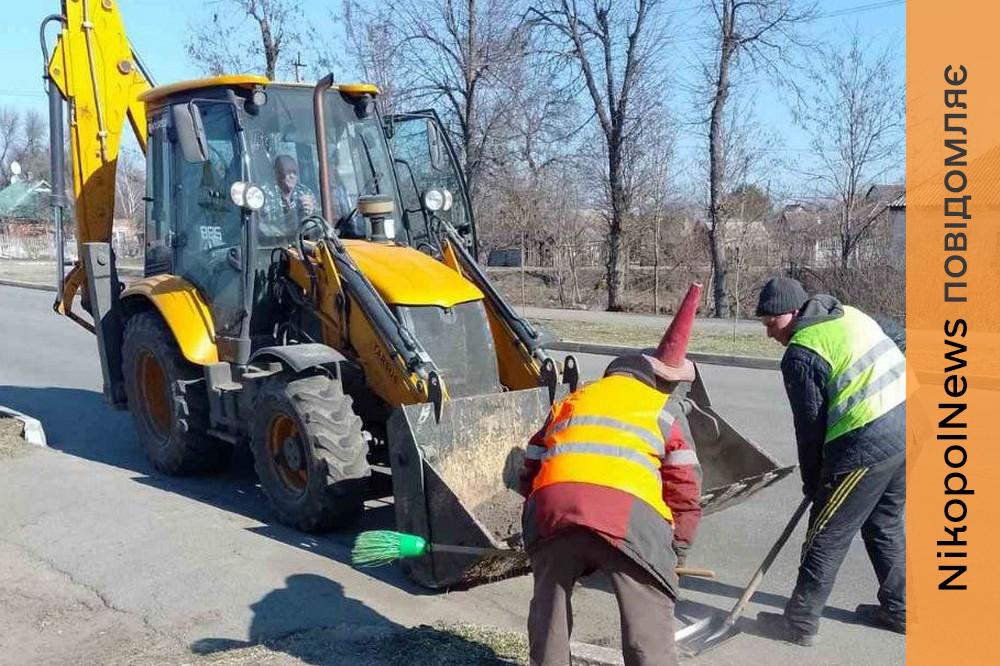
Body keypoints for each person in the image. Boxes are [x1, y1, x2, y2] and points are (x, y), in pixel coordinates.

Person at [519, 283, 704, 666]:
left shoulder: (570, 402)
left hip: (552, 510)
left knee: (548, 612)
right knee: (647, 627)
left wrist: (542, 528)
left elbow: (530, 469)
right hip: (626, 519)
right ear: (650, 381)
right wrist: (676, 551)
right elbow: (685, 491)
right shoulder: (661, 410)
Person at [753, 276, 906, 646]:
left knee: (826, 533)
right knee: (883, 523)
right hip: (906, 423)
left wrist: (814, 483)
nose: (769, 333)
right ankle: (902, 611)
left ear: (792, 312)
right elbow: (898, 336)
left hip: (865, 442)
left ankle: (799, 624)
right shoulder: (847, 313)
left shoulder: (801, 353)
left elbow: (810, 428)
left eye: (772, 323)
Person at [261, 154, 316, 239]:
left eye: (294, 173)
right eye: (288, 172)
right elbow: (264, 226)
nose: (292, 176)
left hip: (301, 243)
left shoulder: (304, 192)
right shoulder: (264, 195)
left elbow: (318, 220)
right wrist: (293, 214)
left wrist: (311, 212)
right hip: (272, 244)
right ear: (277, 173)